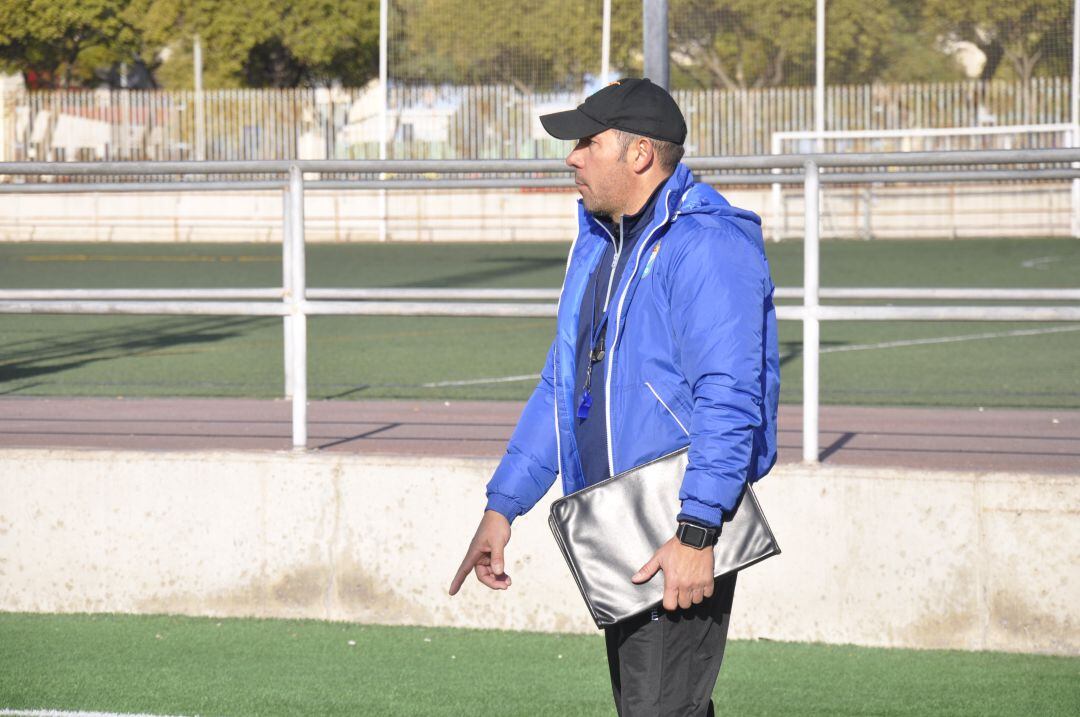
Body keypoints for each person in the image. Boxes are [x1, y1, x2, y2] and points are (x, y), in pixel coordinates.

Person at [449, 78, 780, 717]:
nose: (571, 157)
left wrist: (697, 529)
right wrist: (502, 507)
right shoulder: (603, 244)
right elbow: (560, 387)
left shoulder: (707, 244)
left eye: (586, 142)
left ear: (638, 155)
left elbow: (730, 398)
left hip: (676, 527)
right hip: (615, 526)